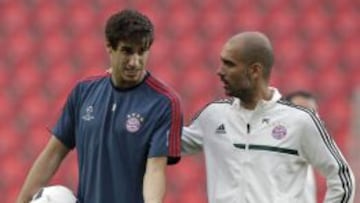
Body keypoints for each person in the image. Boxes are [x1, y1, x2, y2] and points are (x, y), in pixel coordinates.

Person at [17, 9, 182, 203]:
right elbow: (53, 154)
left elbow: (155, 169)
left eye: (142, 52)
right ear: (109, 47)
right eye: (127, 51)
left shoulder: (164, 103)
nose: (135, 62)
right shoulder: (83, 92)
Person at [181, 31, 355, 202]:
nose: (220, 71)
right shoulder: (213, 116)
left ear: (255, 70)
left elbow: (341, 177)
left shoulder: (300, 121)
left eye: (229, 64)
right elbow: (167, 142)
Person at [285, 90, 319, 203]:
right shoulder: (270, 155)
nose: (307, 119)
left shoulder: (307, 156)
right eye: (300, 112)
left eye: (312, 113)